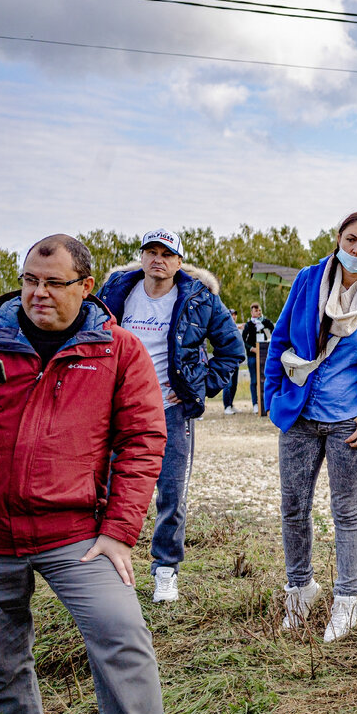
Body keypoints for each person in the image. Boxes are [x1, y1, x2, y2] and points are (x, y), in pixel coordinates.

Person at [0, 235, 176, 714]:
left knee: (123, 641)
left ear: (85, 287)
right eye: (29, 281)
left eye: (53, 283)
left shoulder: (118, 352)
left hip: (77, 536)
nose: (38, 293)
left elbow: (142, 442)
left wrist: (118, 530)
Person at [265, 211, 357, 642]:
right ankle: (300, 589)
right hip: (301, 417)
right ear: (338, 240)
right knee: (294, 508)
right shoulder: (310, 280)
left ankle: (347, 602)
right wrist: (275, 398)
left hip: (351, 423)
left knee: (346, 512)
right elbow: (281, 340)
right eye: (351, 240)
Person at [99, 229, 245, 602]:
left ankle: (165, 571)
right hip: (119, 410)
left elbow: (231, 348)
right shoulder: (117, 292)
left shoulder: (197, 298)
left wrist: (203, 385)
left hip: (171, 409)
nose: (158, 259)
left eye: (166, 253)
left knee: (171, 492)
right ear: (142, 257)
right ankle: (107, 566)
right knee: (111, 488)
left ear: (179, 262)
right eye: (151, 251)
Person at [242, 301, 274, 414]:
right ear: (252, 312)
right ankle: (255, 403)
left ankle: (266, 402)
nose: (259, 312)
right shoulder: (249, 325)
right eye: (256, 311)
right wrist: (251, 348)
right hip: (253, 355)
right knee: (254, 380)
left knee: (266, 378)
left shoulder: (265, 322)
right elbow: (243, 340)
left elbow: (274, 332)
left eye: (259, 310)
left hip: (264, 355)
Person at [222, 308, 242, 414]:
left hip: (236, 359)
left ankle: (231, 404)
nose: (233, 316)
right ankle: (226, 406)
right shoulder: (223, 327)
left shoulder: (236, 328)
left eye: (235, 314)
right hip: (227, 359)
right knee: (228, 384)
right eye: (232, 314)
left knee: (234, 384)